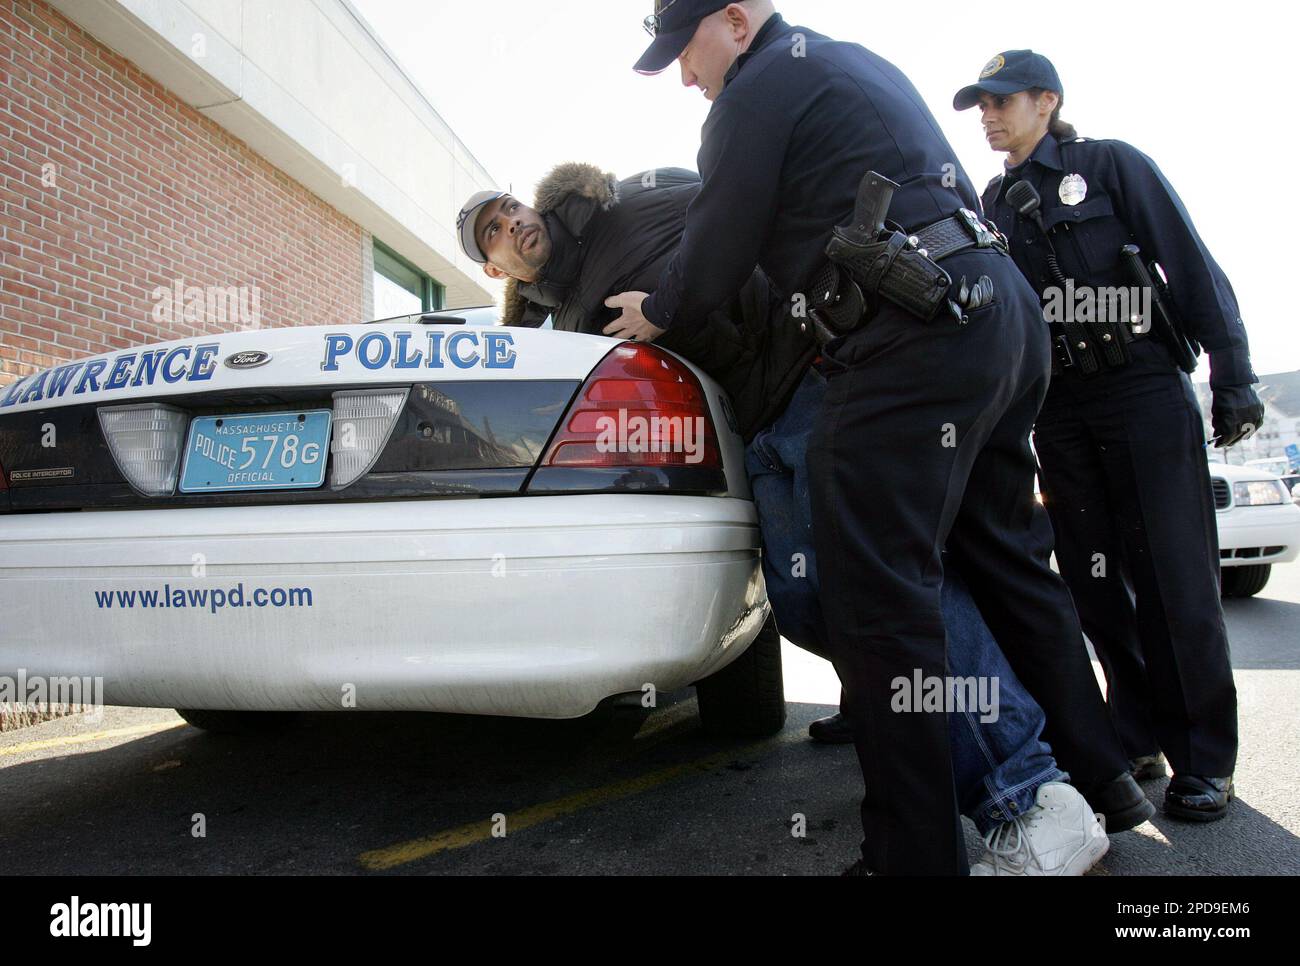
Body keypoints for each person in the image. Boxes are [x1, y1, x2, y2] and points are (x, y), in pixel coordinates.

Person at [459, 156, 1123, 874]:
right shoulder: (557, 327)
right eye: (493, 231)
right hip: (756, 432)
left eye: (509, 207)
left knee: (889, 596)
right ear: (495, 269)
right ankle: (921, 747)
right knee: (807, 605)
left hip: (814, 386)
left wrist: (682, 304)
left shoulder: (628, 201)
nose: (514, 224)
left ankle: (1027, 793)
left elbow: (747, 209)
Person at [613, 1, 1152, 875]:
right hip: (994, 310)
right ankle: (1105, 777)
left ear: (738, 21)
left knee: (875, 599)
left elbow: (714, 250)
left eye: (688, 50)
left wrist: (661, 308)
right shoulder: (856, 62)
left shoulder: (755, 91)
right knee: (1009, 558)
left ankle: (913, 856)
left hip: (909, 336)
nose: (686, 74)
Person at [955, 50, 1262, 821]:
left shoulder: (1110, 165)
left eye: (1001, 101)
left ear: (1047, 101)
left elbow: (1190, 263)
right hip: (1058, 411)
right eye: (979, 105)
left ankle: (1203, 758)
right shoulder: (989, 206)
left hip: (1143, 390)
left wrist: (1235, 375)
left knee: (1172, 576)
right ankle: (1137, 732)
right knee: (1094, 585)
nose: (987, 115)